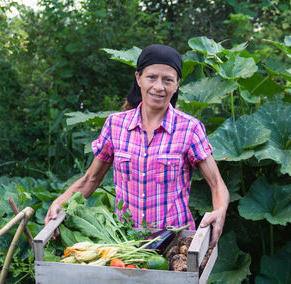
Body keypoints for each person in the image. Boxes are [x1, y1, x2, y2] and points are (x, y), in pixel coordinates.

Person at [45, 44, 230, 246]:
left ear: (177, 84)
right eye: (152, 77)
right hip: (124, 241)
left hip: (176, 242)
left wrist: (219, 211)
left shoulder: (189, 129)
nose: (159, 87)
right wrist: (59, 202)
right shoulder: (115, 125)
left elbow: (216, 184)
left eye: (168, 80)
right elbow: (91, 179)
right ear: (138, 78)